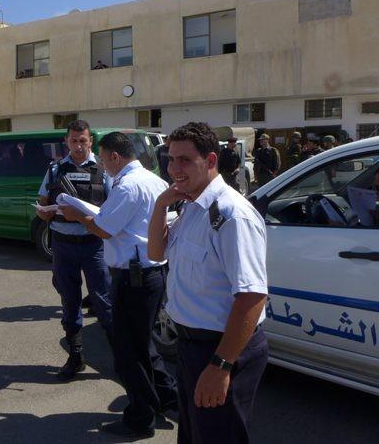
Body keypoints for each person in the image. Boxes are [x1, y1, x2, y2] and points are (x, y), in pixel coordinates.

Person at [148, 122, 268, 444]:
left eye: (184, 160)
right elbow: (156, 253)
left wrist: (220, 365)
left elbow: (252, 296)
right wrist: (160, 205)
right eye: (171, 160)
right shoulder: (191, 205)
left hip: (220, 350)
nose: (174, 169)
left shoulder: (231, 214)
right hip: (191, 347)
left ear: (211, 160)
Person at [61, 132, 177, 439]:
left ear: (115, 156)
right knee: (144, 345)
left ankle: (141, 418)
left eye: (103, 158)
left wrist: (77, 215)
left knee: (129, 352)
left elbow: (104, 229)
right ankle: (166, 398)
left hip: (134, 278)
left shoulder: (127, 185)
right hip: (152, 274)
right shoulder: (154, 180)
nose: (102, 164)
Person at [37, 120, 114, 381]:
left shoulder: (103, 170)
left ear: (90, 141)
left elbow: (114, 207)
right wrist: (44, 212)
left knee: (103, 300)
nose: (78, 146)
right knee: (69, 301)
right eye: (73, 141)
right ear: (66, 142)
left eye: (83, 141)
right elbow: (43, 200)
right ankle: (76, 356)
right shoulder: (55, 170)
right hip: (63, 245)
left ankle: (121, 356)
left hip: (94, 245)